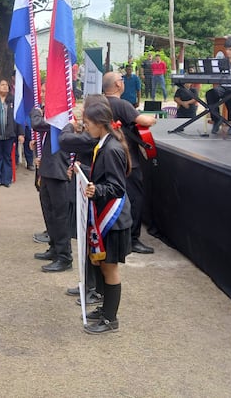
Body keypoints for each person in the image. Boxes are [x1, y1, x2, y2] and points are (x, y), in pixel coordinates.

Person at [81, 98, 133, 334]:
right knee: (102, 264)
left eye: (88, 123)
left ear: (100, 123)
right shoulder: (105, 143)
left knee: (110, 268)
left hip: (114, 219)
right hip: (107, 215)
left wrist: (97, 190)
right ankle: (105, 309)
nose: (85, 127)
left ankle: (111, 318)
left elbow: (117, 187)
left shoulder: (111, 149)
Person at [101, 72, 156, 254]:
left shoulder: (99, 103)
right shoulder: (122, 104)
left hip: (105, 155)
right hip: (127, 158)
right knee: (135, 197)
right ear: (118, 84)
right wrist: (153, 118)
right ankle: (132, 238)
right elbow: (144, 120)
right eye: (121, 80)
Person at [30, 95, 72, 273]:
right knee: (49, 213)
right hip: (48, 170)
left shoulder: (64, 117)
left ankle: (64, 256)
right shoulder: (55, 116)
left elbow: (37, 124)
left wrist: (35, 112)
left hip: (58, 172)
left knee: (60, 216)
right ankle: (54, 248)